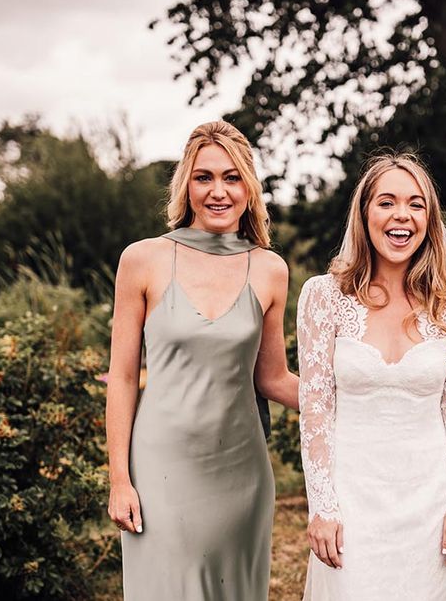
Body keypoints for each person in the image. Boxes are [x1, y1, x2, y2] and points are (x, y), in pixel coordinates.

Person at [297, 152, 446, 601]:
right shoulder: (322, 297)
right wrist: (322, 506)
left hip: (429, 502)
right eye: (387, 202)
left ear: (430, 218)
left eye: (416, 204)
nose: (402, 216)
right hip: (351, 500)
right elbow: (315, 409)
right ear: (364, 213)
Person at [105, 121, 299, 600]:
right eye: (204, 177)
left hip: (241, 473)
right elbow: (124, 378)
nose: (218, 191)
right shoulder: (142, 260)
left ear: (250, 188)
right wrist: (119, 479)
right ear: (185, 185)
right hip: (159, 469)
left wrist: (360, 394)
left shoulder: (271, 269)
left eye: (232, 178)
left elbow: (273, 378)